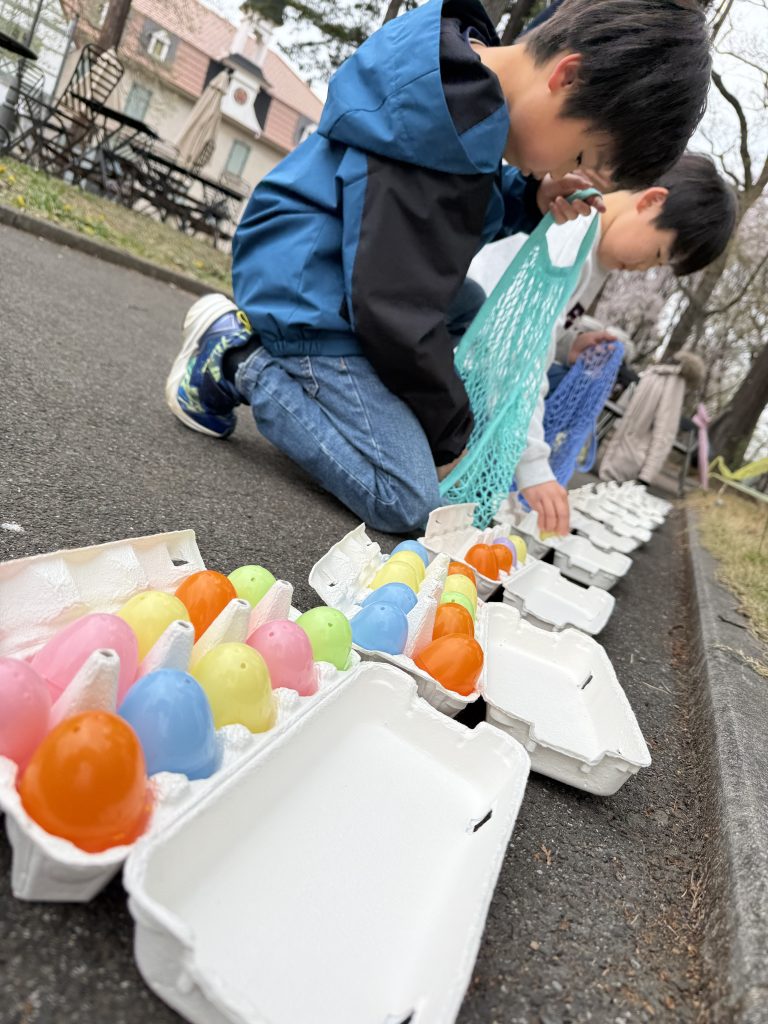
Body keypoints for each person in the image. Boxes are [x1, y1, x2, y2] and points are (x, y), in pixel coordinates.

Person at [165, 0, 712, 533]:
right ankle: (236, 358)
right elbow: (395, 309)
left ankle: (344, 395)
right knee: (408, 497)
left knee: (468, 305)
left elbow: (459, 209)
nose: (564, 169)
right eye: (578, 158)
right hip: (308, 291)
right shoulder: (438, 119)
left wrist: (530, 198)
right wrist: (451, 435)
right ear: (568, 76)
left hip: (339, 268)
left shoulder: (467, 97)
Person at [470, 153, 735, 534]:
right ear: (651, 200)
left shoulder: (594, 253)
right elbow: (516, 354)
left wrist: (568, 345)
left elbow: (534, 329)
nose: (645, 268)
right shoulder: (574, 230)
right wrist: (534, 466)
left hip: (476, 360)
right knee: (413, 502)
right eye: (657, 255)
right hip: (455, 358)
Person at [598, 352, 706, 485]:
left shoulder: (655, 372)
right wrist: (646, 476)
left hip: (619, 455)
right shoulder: (673, 382)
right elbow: (665, 432)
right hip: (632, 461)